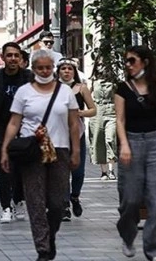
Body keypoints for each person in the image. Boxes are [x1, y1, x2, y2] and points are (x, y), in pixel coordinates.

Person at [0, 49, 81, 261]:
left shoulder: (65, 92)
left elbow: (74, 124)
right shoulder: (24, 92)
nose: (45, 71)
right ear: (33, 69)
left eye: (48, 67)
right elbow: (14, 122)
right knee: (35, 201)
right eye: (40, 68)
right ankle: (43, 249)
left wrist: (76, 150)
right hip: (32, 152)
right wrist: (5, 150)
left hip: (59, 150)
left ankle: (49, 235)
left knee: (56, 203)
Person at [114, 45, 156, 260]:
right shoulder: (122, 88)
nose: (128, 65)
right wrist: (124, 145)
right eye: (126, 61)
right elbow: (120, 120)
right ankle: (128, 234)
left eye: (132, 60)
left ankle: (153, 249)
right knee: (130, 200)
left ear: (145, 62)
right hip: (131, 142)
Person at [0, 42, 33, 223]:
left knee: (20, 167)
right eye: (9, 55)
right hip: (0, 128)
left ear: (21, 58)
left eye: (16, 55)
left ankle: (19, 200)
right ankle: (6, 207)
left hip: (24, 127)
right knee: (5, 166)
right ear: (2, 58)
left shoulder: (28, 77)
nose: (12, 59)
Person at [57, 58, 96, 221]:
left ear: (74, 71)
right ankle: (64, 204)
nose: (66, 71)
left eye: (70, 68)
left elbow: (93, 110)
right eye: (63, 68)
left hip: (77, 134)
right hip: (58, 134)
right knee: (61, 171)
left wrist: (80, 113)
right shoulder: (53, 88)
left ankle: (75, 196)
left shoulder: (82, 88)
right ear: (58, 71)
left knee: (78, 172)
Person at [90, 68, 117, 180]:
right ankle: (104, 172)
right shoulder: (93, 81)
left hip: (111, 110)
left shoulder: (115, 82)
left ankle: (111, 170)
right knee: (98, 140)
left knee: (110, 139)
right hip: (97, 111)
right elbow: (87, 94)